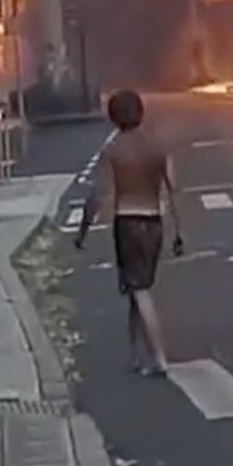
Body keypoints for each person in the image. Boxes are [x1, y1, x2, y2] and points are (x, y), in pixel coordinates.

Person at [74, 89, 185, 375]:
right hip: (154, 223)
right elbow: (173, 188)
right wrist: (178, 233)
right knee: (135, 288)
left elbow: (96, 194)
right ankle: (136, 355)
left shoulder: (113, 150)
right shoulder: (158, 145)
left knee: (139, 290)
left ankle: (160, 358)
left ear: (113, 116)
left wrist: (83, 232)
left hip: (128, 223)